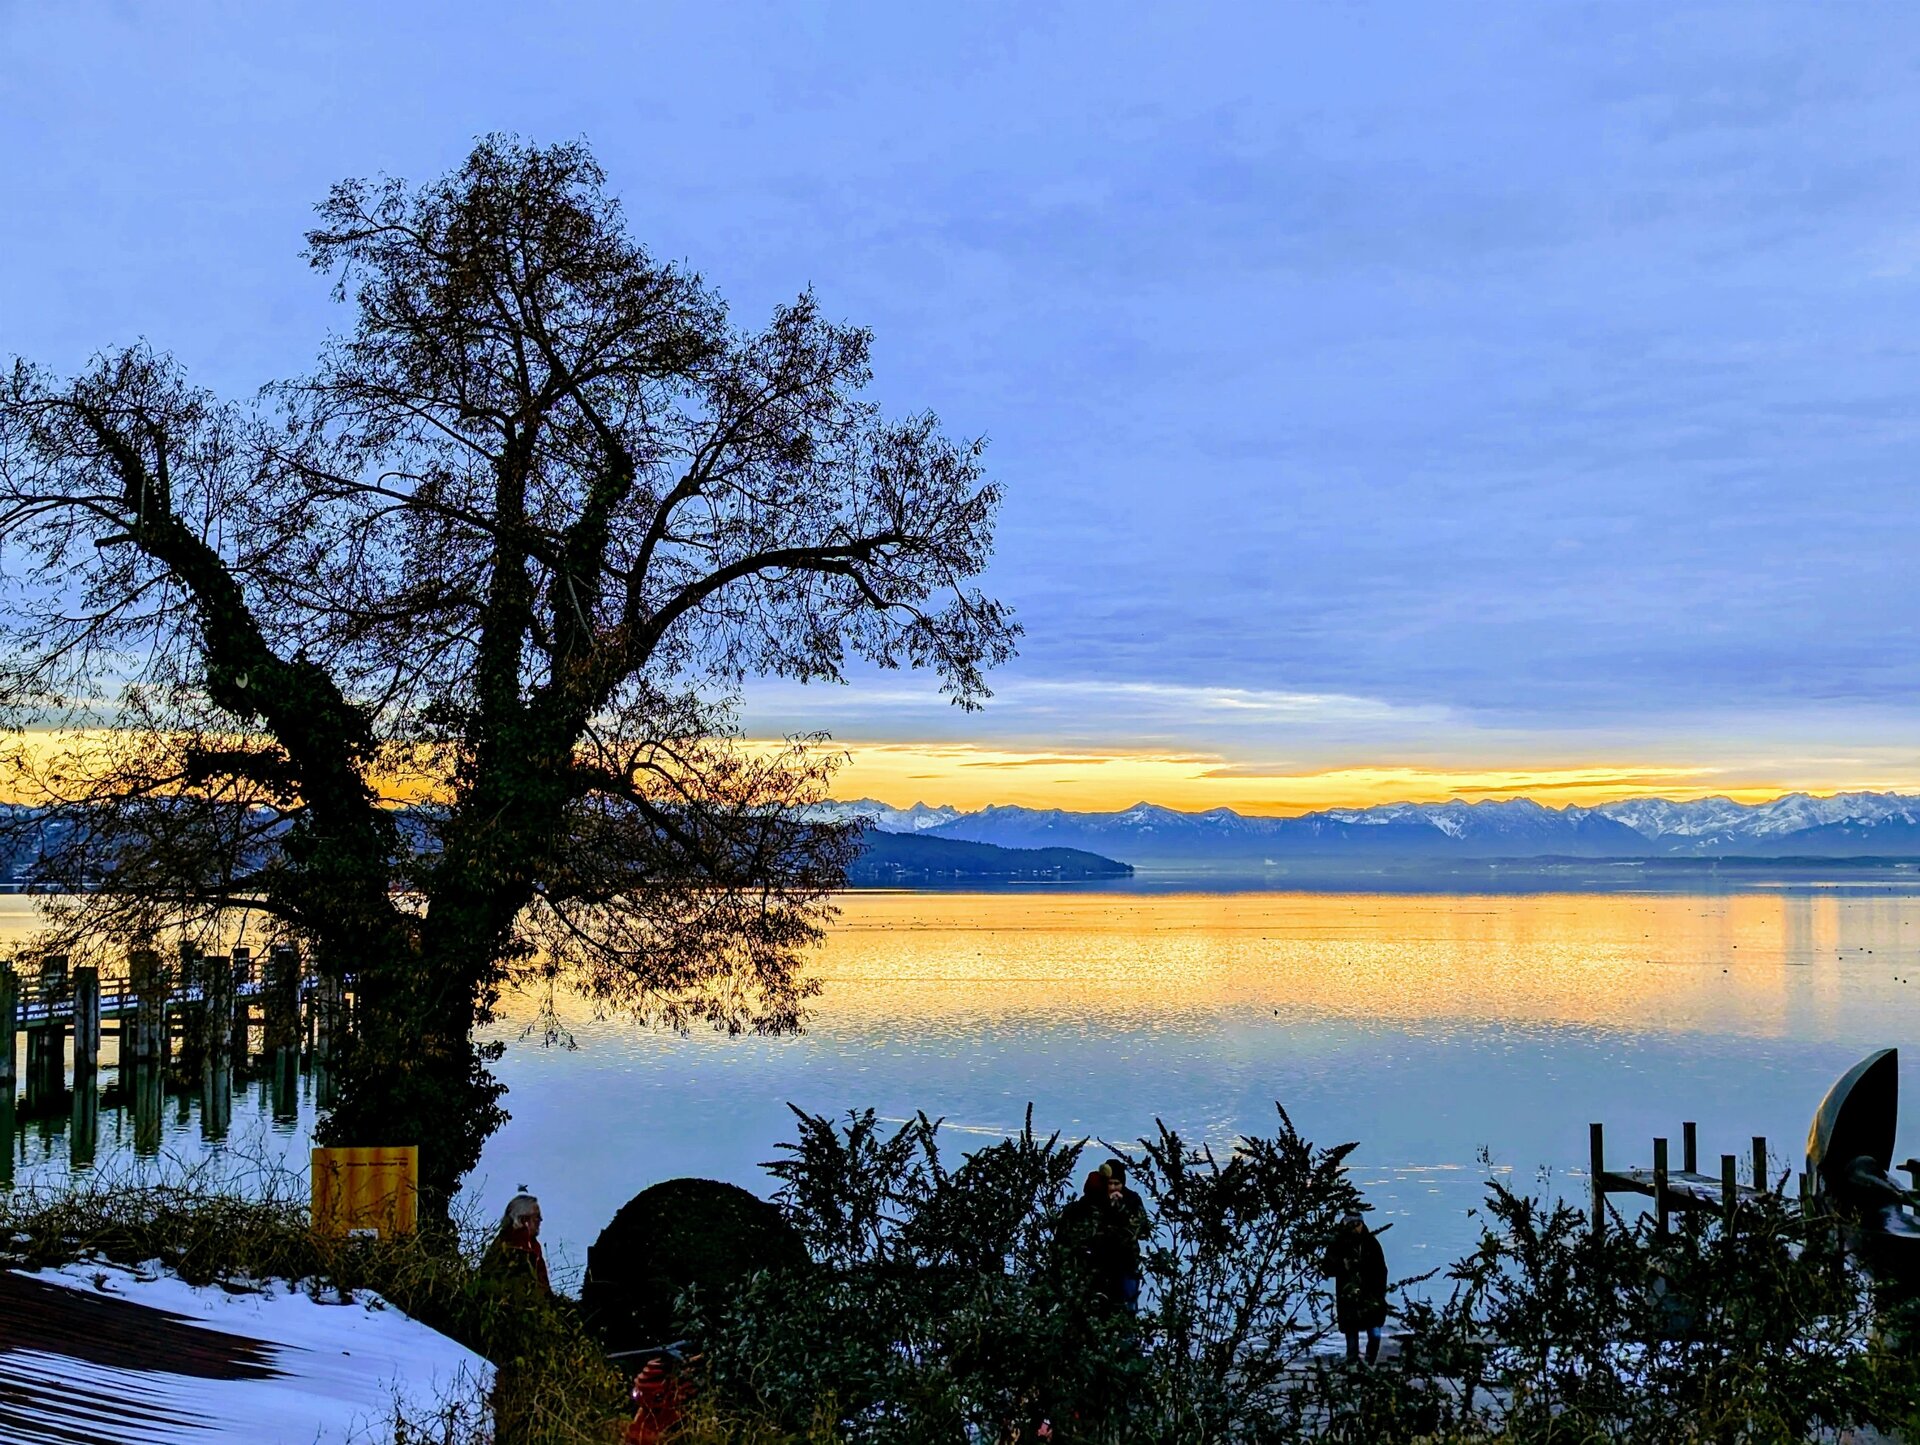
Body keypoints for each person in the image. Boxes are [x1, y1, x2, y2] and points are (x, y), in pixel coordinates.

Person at [1058, 1169, 1131, 1308]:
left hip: (1075, 1274)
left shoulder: (1072, 1210)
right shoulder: (1108, 1212)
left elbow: (1060, 1241)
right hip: (1101, 1275)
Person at [1324, 1208, 1388, 1364]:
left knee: (1375, 1332)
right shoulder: (1337, 1244)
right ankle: (1352, 1365)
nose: (1355, 1228)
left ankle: (1370, 1362)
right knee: (1351, 1333)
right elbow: (1326, 1269)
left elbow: (1382, 1270)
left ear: (1362, 1223)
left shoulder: (1371, 1243)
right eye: (1351, 1224)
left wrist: (1379, 1293)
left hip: (1371, 1295)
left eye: (1358, 1224)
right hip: (1348, 1297)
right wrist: (1342, 1266)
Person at [482, 1190, 552, 1301]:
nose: (540, 1220)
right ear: (523, 1219)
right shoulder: (512, 1242)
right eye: (537, 1216)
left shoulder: (533, 1245)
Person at [1101, 1159, 1149, 1312]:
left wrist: (1122, 1209)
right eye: (1110, 1183)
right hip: (1103, 1262)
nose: (1113, 1188)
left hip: (1128, 1261)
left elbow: (1143, 1230)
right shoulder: (1099, 1199)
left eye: (1117, 1183)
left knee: (1128, 1304)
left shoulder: (1132, 1200)